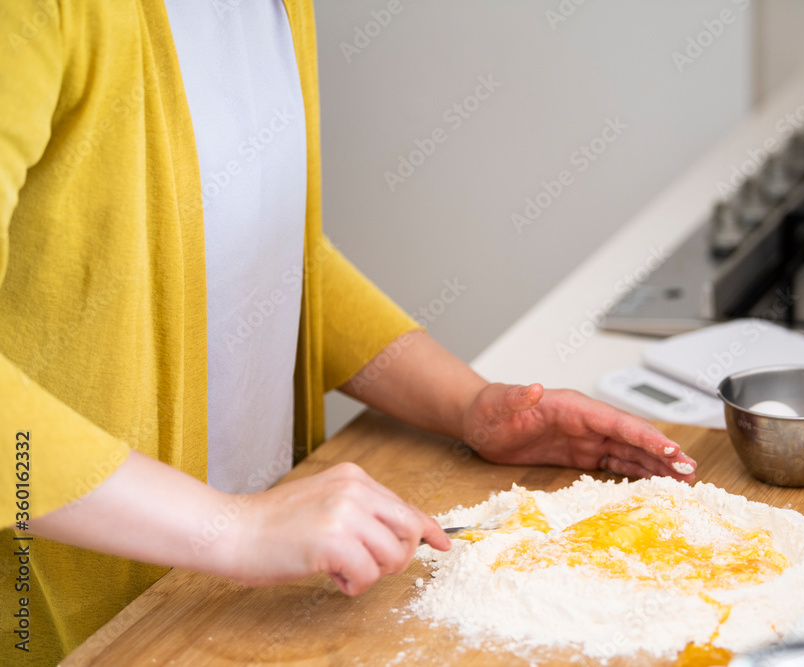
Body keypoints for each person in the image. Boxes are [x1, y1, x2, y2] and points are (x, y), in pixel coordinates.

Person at [0, 1, 696, 663]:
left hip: (232, 602)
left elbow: (256, 256)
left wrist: (468, 405)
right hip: (58, 623)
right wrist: (238, 528)